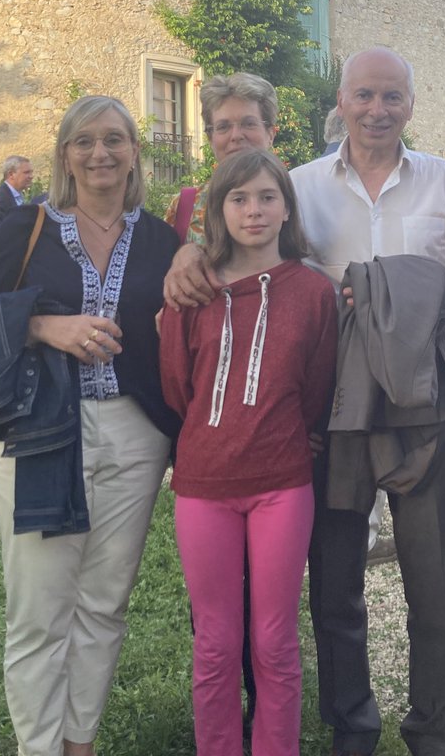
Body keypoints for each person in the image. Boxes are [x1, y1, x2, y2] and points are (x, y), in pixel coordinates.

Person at [164, 46, 445, 756]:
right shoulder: (301, 184)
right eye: (364, 95)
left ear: (411, 105)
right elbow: (239, 239)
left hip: (423, 400)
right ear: (340, 102)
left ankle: (432, 726)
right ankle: (352, 723)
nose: (378, 110)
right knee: (337, 582)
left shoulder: (443, 180)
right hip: (334, 406)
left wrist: (409, 298)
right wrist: (188, 251)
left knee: (430, 579)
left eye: (392, 97)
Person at [0, 95, 180, 756]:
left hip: (136, 436)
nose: (99, 153)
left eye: (114, 139)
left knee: (104, 603)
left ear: (134, 151)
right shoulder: (26, 227)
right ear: (65, 155)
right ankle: (39, 747)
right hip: (39, 431)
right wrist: (46, 325)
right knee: (39, 612)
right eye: (84, 141)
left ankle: (80, 743)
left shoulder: (161, 240)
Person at [161, 149, 338, 756]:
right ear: (218, 209)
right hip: (204, 483)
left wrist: (281, 430)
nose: (254, 210)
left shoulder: (313, 292)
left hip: (282, 483)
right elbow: (178, 385)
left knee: (274, 639)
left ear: (287, 208)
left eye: (267, 197)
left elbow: (316, 386)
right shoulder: (193, 290)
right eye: (238, 199)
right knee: (215, 641)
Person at [165, 73, 279, 243]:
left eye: (248, 124)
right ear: (210, 138)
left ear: (270, 134)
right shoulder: (184, 207)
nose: (236, 136)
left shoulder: (299, 200)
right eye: (223, 127)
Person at [0, 155, 34, 250]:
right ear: (11, 174)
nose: (31, 176)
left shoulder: (18, 196)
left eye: (31, 172)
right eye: (26, 172)